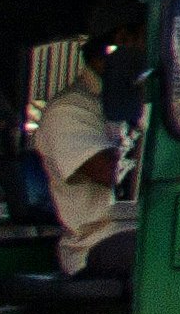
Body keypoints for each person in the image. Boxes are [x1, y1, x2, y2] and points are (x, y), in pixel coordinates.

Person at [34, 16, 147, 275]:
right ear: (123, 40)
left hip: (144, 230)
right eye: (149, 36)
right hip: (99, 242)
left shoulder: (141, 99)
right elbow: (118, 175)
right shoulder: (70, 109)